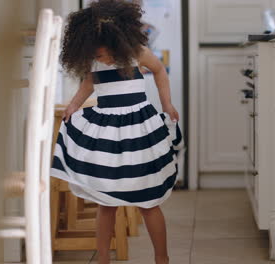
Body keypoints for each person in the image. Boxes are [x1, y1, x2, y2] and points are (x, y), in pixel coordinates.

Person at [50, 1, 183, 263]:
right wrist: (74, 105)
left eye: (106, 55)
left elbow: (158, 71)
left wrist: (166, 103)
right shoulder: (94, 59)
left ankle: (162, 257)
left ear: (119, 43)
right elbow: (89, 81)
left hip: (139, 128)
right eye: (98, 57)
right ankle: (103, 258)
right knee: (106, 199)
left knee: (148, 200)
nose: (103, 60)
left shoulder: (136, 52)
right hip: (108, 130)